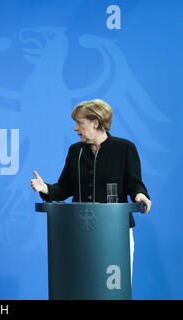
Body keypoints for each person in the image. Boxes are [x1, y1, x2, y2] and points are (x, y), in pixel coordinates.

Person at [30, 99, 151, 277]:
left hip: (115, 230)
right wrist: (45, 188)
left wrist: (140, 194)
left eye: (80, 123)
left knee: (114, 290)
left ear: (96, 123)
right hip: (80, 231)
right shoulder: (75, 151)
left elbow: (135, 183)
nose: (75, 128)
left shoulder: (125, 148)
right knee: (82, 285)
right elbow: (65, 187)